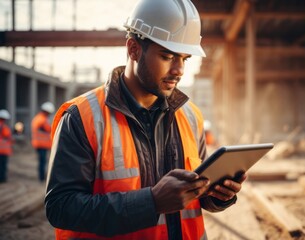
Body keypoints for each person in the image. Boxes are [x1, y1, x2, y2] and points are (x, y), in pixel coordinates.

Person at [45, 0, 247, 239]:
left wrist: (217, 195)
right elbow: (61, 208)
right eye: (168, 55)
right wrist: (151, 202)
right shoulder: (82, 117)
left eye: (184, 58)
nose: (179, 70)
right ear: (133, 49)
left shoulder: (191, 116)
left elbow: (193, 199)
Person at [31, 101, 55, 182]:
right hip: (42, 144)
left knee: (42, 161)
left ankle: (41, 176)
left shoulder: (37, 118)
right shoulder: (42, 120)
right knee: (42, 161)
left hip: (38, 144)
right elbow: (49, 129)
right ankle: (41, 177)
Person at [0, 109, 12, 183]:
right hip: (3, 150)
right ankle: (2, 178)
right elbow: (7, 136)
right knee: (3, 165)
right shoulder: (4, 127)